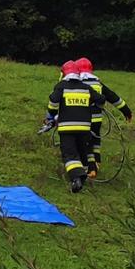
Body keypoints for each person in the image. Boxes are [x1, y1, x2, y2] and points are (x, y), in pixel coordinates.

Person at [45, 61, 99, 192]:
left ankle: (76, 178)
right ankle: (83, 177)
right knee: (82, 153)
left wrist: (50, 117)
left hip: (67, 129)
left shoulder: (61, 86)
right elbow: (100, 99)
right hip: (85, 129)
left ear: (64, 73)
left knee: (69, 155)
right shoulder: (86, 87)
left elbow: (53, 102)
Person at [74, 57, 132, 175]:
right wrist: (126, 111)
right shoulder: (97, 83)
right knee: (96, 140)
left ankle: (91, 168)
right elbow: (112, 97)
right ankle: (97, 161)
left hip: (84, 120)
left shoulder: (79, 83)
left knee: (86, 143)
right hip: (97, 119)